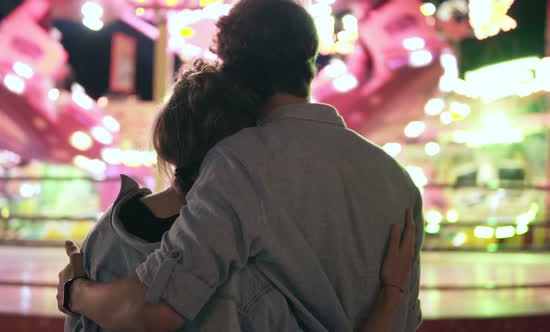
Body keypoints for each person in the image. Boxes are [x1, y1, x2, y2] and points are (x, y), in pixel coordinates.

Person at [57, 0, 424, 331]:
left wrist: (76, 294)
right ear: (310, 59)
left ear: (232, 67)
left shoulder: (239, 163)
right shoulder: (397, 180)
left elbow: (158, 307)